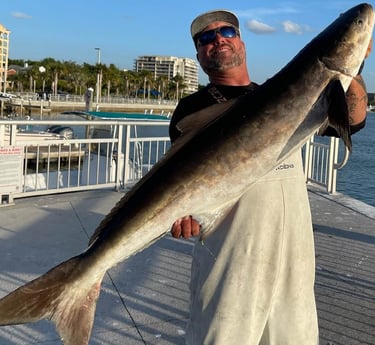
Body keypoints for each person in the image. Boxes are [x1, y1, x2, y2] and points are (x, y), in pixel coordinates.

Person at [169, 10, 372, 345]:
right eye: (206, 38)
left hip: (294, 263)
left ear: (241, 42)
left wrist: (354, 66)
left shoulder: (292, 94)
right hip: (230, 262)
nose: (218, 39)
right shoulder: (194, 111)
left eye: (227, 32)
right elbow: (183, 183)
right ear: (199, 55)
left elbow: (353, 119)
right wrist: (185, 212)